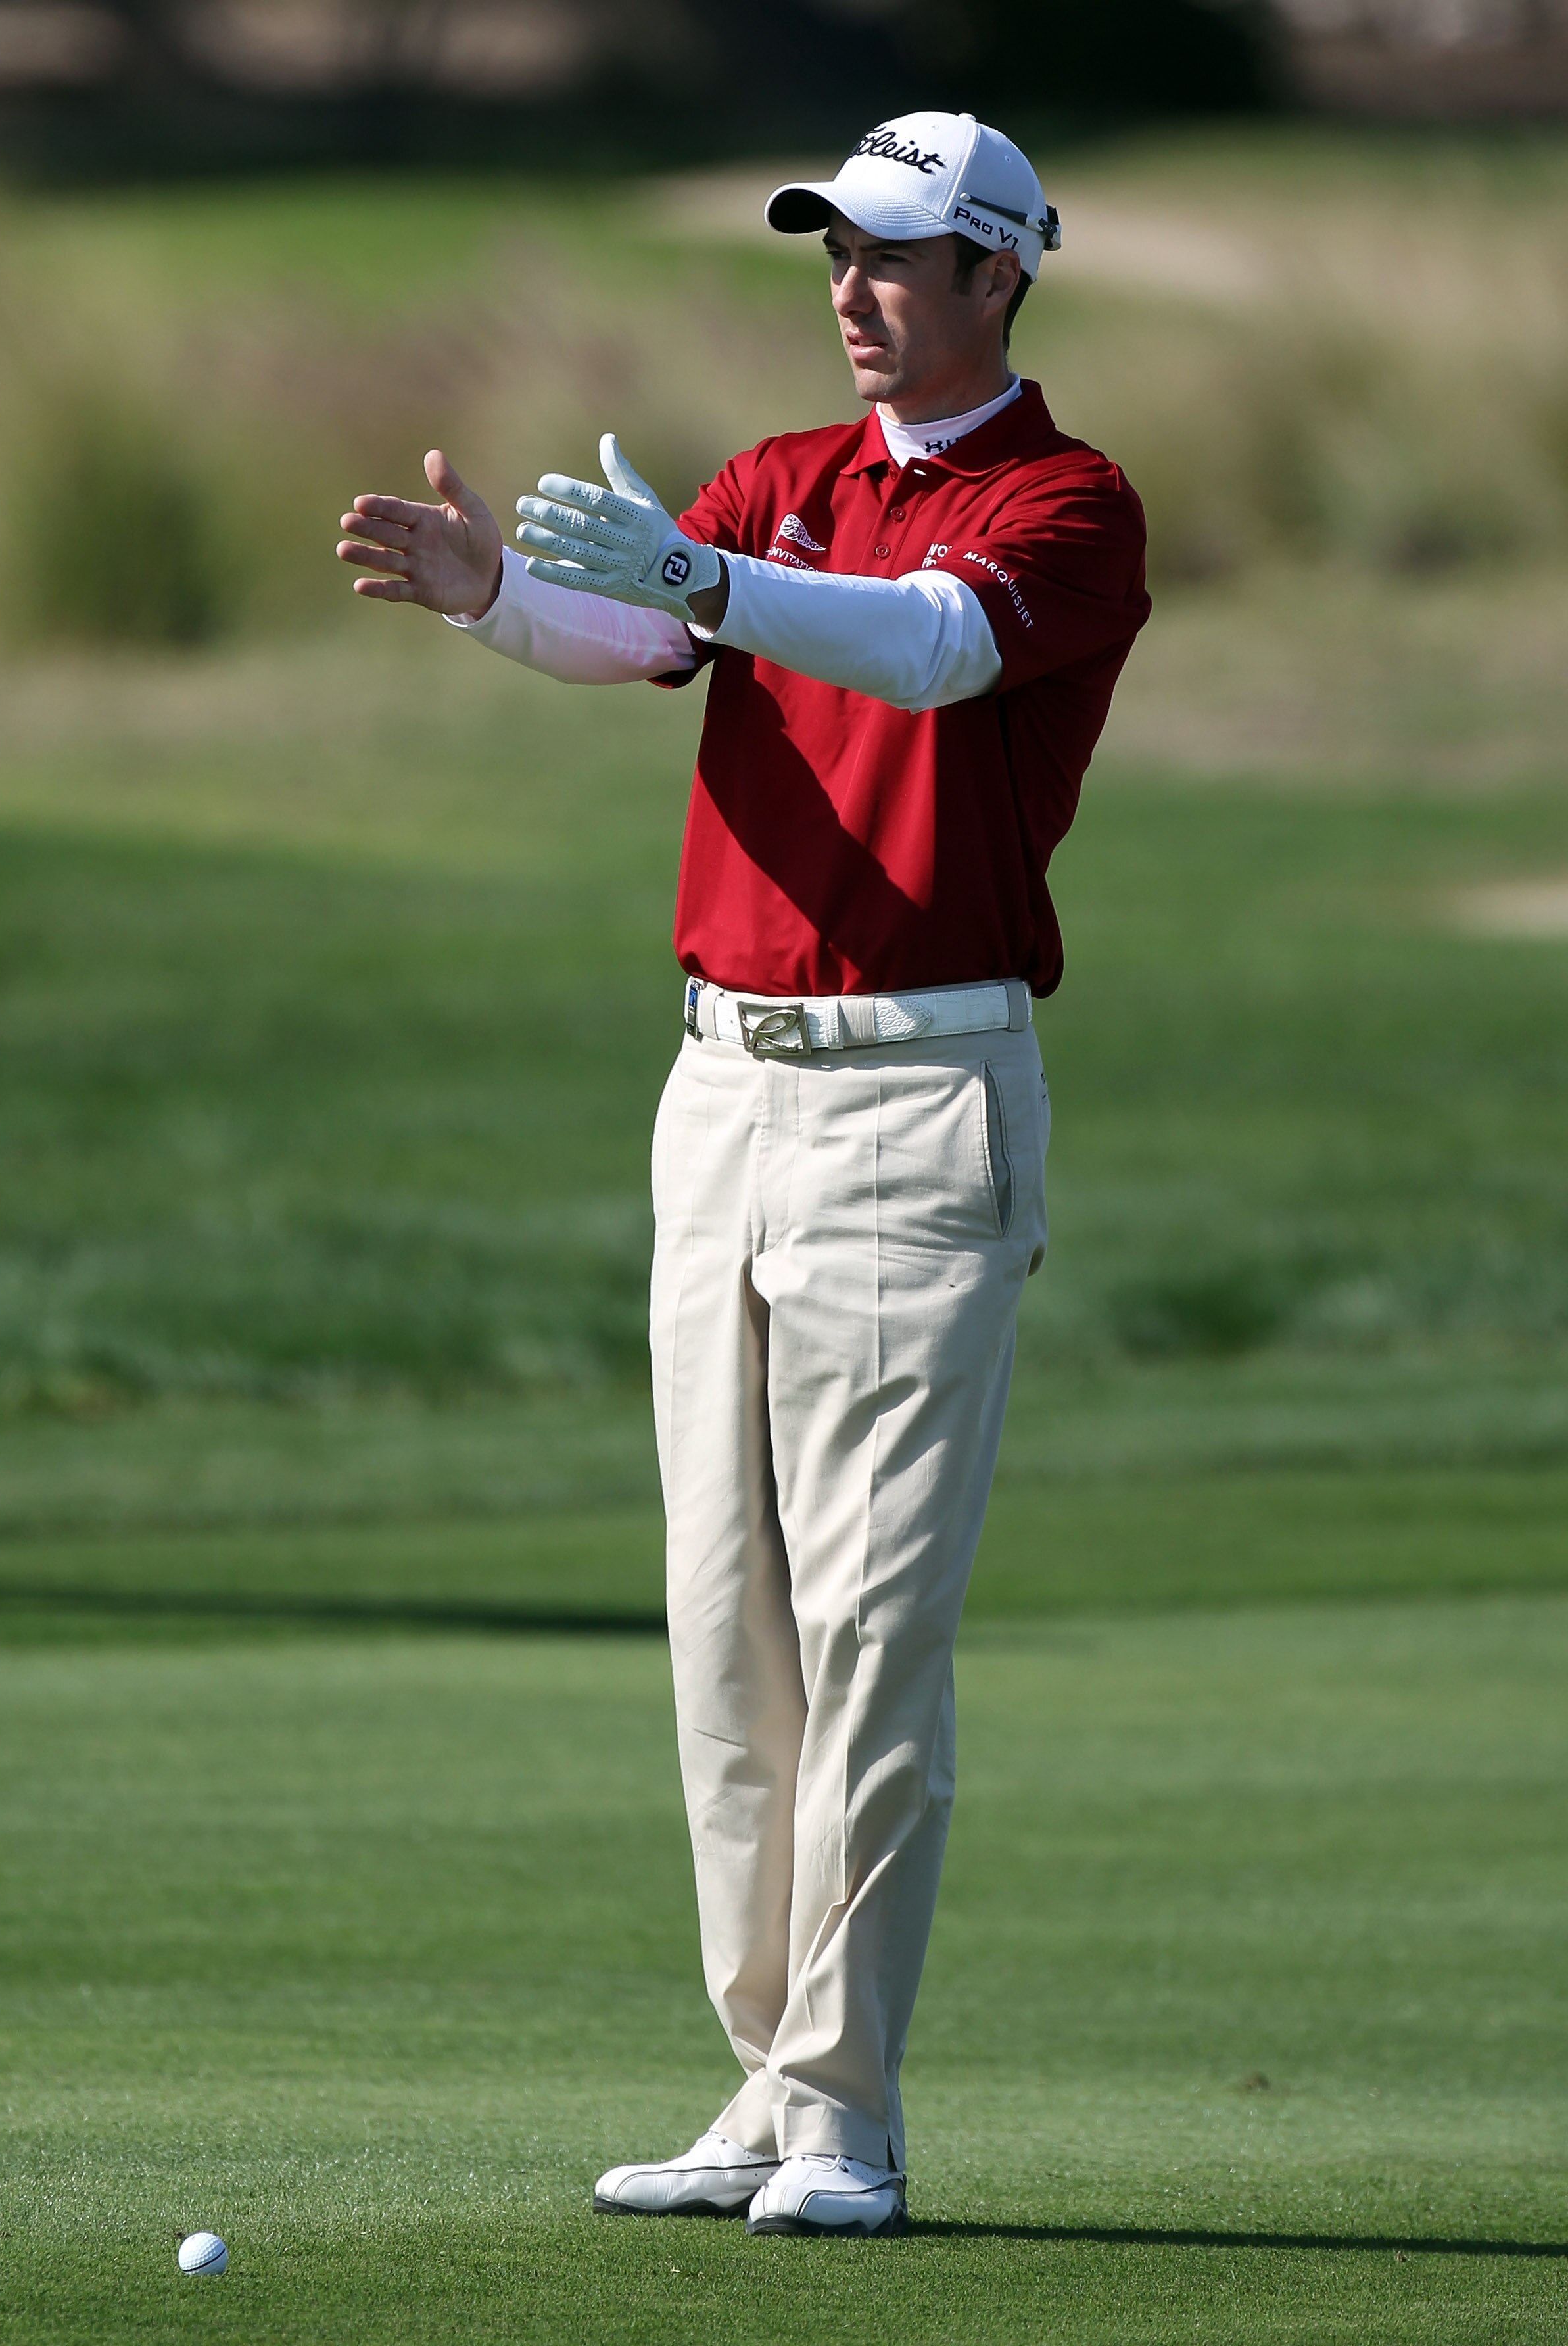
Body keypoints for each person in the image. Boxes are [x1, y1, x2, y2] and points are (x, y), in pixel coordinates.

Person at [337, 110, 1150, 2240]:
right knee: (730, 1632)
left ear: (998, 277)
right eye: (833, 255)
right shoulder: (779, 476)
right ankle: (763, 2082)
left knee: (872, 1625)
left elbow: (926, 652)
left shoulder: (1065, 501)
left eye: (893, 257)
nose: (851, 291)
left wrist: (705, 577)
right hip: (722, 1097)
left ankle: (846, 2110)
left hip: (918, 1099)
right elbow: (656, 645)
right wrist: (500, 600)